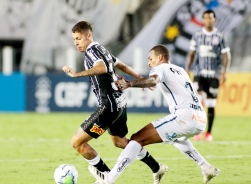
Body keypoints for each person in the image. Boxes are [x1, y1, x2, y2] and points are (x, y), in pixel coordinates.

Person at [89, 44, 220, 184]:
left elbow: (154, 80)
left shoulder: (160, 68)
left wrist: (130, 84)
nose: (149, 63)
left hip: (184, 117)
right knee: (176, 138)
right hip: (200, 118)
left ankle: (109, 178)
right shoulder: (180, 70)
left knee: (136, 139)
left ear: (160, 57)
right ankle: (206, 167)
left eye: (150, 59)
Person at [62, 21, 162, 184]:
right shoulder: (102, 49)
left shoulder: (92, 51)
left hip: (108, 107)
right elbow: (121, 65)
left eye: (78, 38)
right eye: (74, 39)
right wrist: (140, 79)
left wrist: (77, 74)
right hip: (119, 103)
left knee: (77, 142)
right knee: (120, 142)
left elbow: (101, 68)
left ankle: (107, 178)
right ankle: (156, 167)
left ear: (89, 35)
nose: (76, 43)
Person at [186, 9, 231, 141]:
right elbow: (191, 54)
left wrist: (225, 71)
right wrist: (187, 69)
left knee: (211, 103)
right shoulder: (197, 35)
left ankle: (208, 133)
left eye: (210, 18)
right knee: (198, 102)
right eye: (205, 18)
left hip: (214, 75)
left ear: (214, 20)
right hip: (199, 74)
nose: (208, 20)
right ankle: (199, 131)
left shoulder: (220, 36)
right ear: (203, 20)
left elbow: (226, 54)